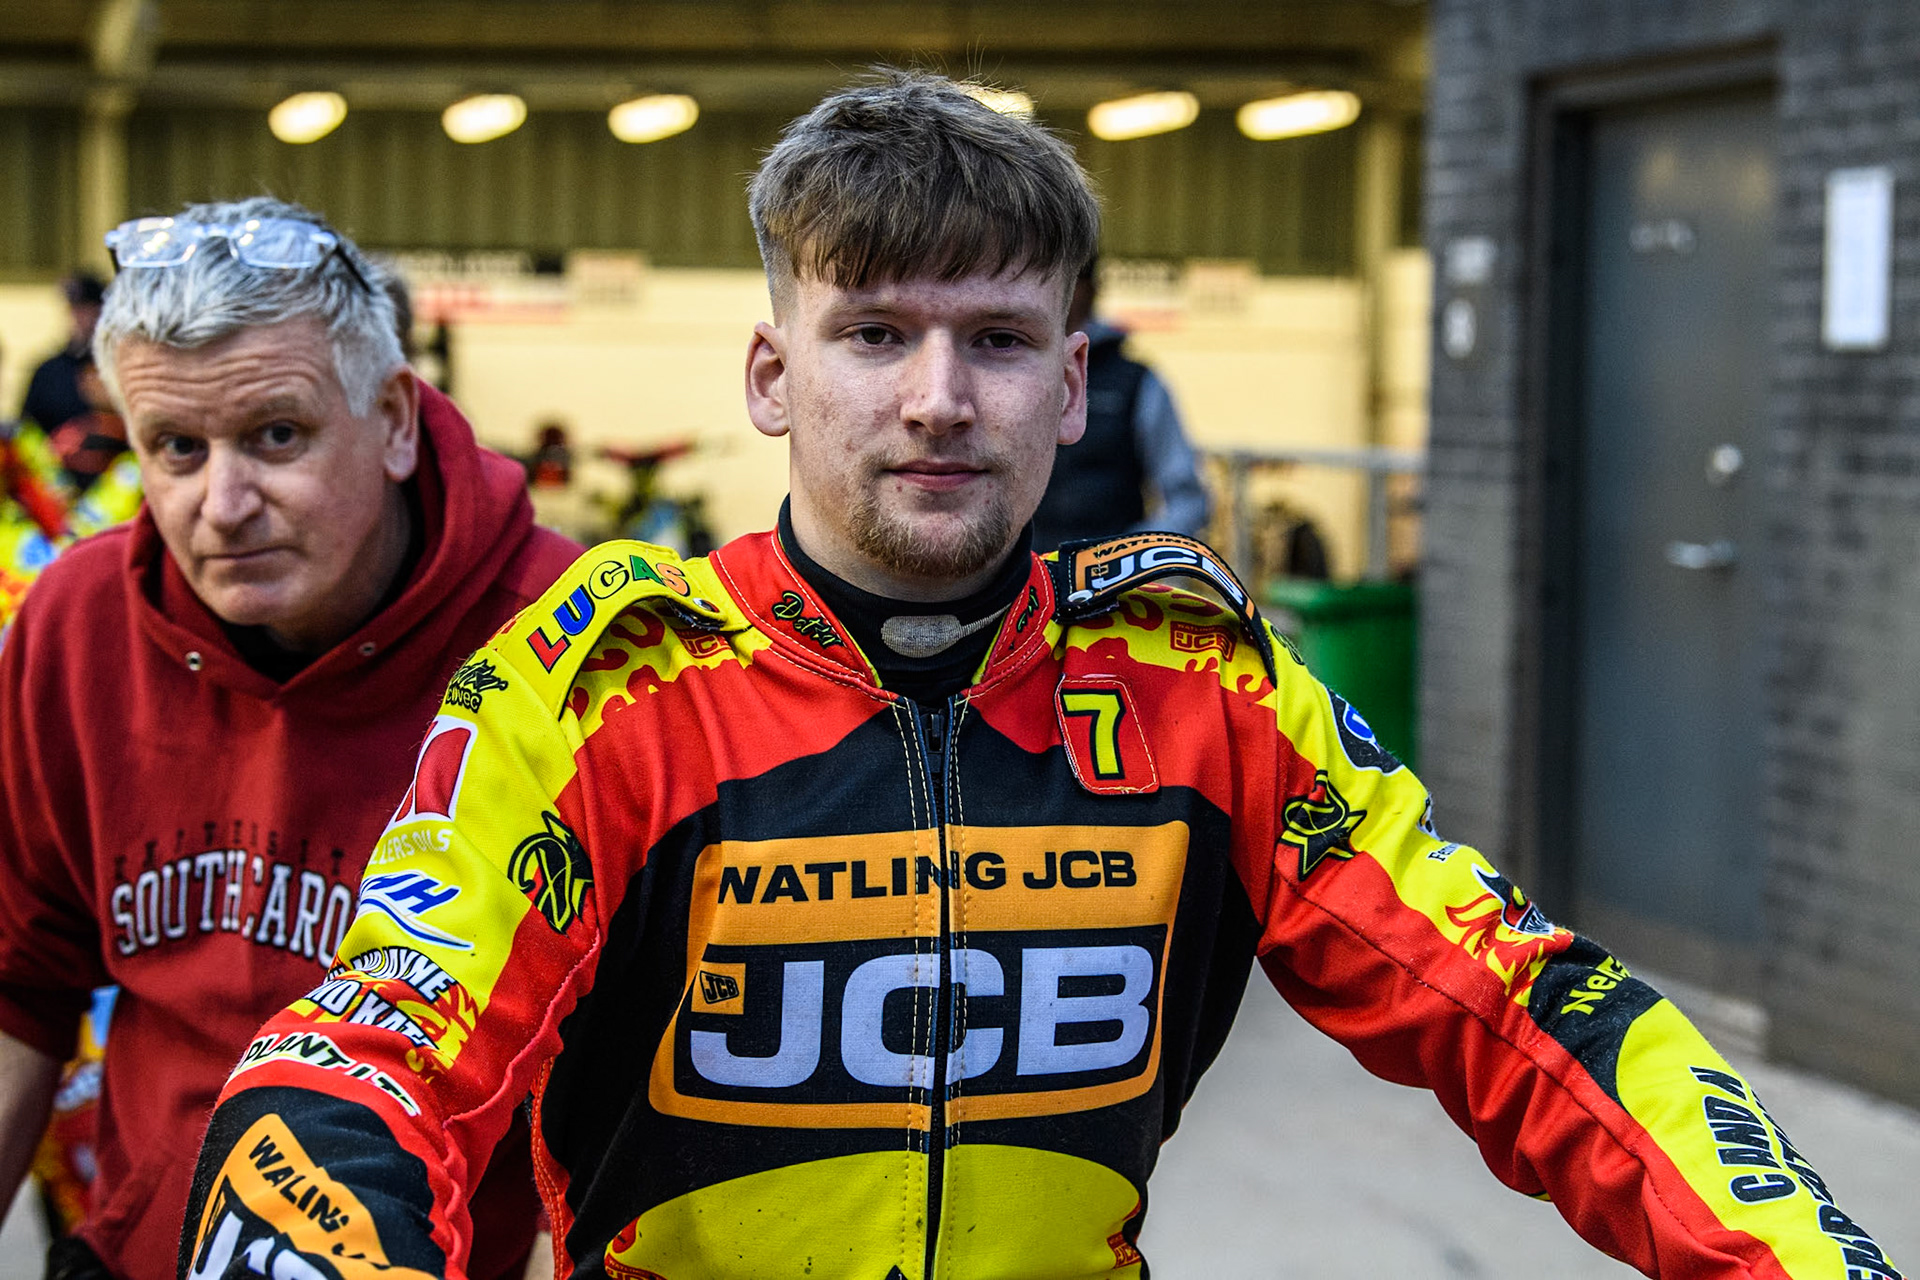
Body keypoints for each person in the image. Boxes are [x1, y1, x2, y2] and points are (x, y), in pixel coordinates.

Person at [183, 76, 1897, 1280]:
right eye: (877, 336)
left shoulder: (1198, 693)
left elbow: (1525, 1009)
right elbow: (366, 1062)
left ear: (1073, 388)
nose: (940, 399)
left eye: (996, 342)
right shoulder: (605, 691)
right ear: (776, 374)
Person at [0, 197, 577, 1280]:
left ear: (398, 420)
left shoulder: (563, 641)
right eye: (176, 447)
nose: (223, 502)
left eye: (277, 434)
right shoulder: (74, 629)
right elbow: (17, 984)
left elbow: (623, 1064)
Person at [1028, 257, 1209, 552]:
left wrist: (1131, 559)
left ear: (1090, 289)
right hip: (1022, 581)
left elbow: (1187, 499)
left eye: (1064, 283)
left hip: (1109, 587)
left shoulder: (1136, 382)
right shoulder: (1009, 370)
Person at [21, 272, 107, 439]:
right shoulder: (48, 373)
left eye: (90, 309)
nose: (84, 319)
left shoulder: (116, 368)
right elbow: (27, 429)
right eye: (76, 310)